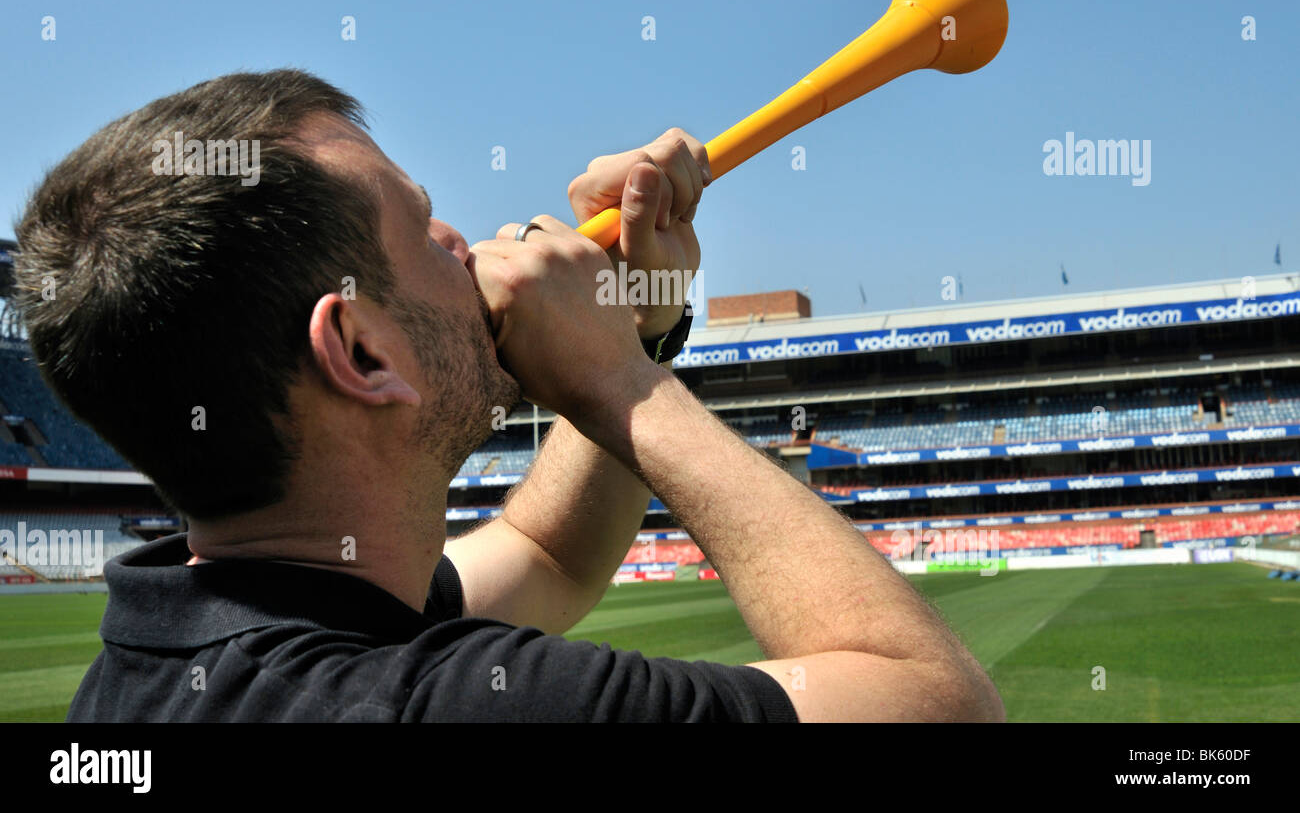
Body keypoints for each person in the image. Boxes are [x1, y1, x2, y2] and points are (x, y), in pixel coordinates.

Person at [15, 69, 1002, 722]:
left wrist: (641, 321)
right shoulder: (434, 704)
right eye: (425, 226)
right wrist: (621, 381)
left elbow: (549, 555)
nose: (466, 244)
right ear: (358, 350)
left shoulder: (198, 626)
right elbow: (936, 704)